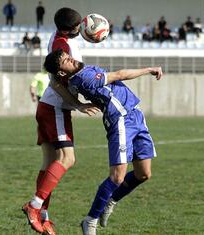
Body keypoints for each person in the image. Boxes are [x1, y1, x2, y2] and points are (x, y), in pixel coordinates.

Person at [43, 49, 163, 235]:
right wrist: (149, 69)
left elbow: (57, 84)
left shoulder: (76, 76)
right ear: (61, 71)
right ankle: (90, 220)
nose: (72, 59)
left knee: (143, 174)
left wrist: (78, 104)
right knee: (117, 176)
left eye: (69, 56)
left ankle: (111, 200)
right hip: (121, 120)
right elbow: (120, 75)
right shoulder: (85, 77)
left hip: (135, 115)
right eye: (66, 61)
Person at [21, 7, 100, 235]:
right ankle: (34, 206)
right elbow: (57, 83)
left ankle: (44, 217)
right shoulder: (61, 46)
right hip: (55, 107)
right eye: (77, 28)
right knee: (68, 159)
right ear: (67, 29)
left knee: (48, 163)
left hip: (49, 107)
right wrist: (78, 104)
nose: (80, 30)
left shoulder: (63, 40)